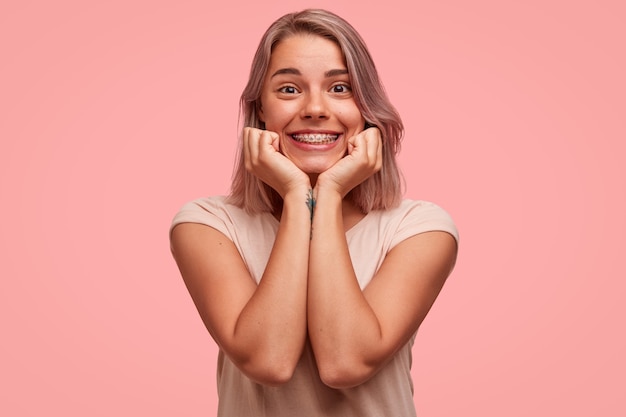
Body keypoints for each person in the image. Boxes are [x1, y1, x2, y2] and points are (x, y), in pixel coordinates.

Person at [170, 9, 458, 417]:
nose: (315, 108)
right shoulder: (207, 225)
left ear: (366, 109)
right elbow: (269, 360)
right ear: (260, 110)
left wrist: (329, 193)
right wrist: (293, 193)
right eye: (289, 89)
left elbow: (345, 362)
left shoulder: (420, 229)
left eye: (340, 87)